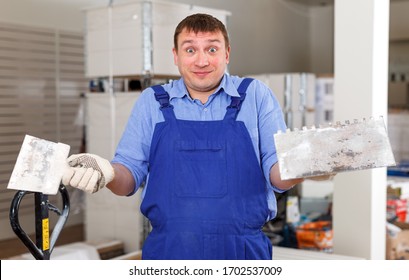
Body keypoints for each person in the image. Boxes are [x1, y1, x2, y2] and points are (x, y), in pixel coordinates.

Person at [63, 13, 307, 260]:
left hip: (242, 253)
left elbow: (277, 176)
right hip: (169, 253)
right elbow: (129, 177)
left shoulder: (255, 96)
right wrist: (109, 173)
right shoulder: (153, 101)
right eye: (190, 50)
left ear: (227, 54)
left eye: (212, 49)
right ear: (176, 56)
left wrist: (303, 165)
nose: (202, 61)